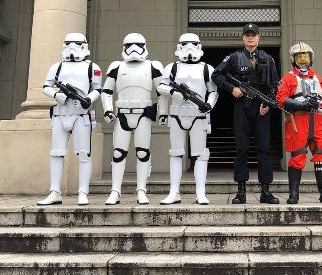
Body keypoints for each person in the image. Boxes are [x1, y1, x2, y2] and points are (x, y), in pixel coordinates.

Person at [212, 23, 281, 204]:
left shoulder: (268, 58)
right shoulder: (234, 58)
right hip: (242, 107)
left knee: (264, 150)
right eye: (247, 35)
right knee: (242, 149)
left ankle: (266, 191)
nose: (251, 38)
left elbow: (275, 84)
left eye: (254, 35)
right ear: (243, 38)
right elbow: (216, 76)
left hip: (262, 109)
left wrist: (268, 103)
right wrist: (232, 88)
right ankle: (240, 191)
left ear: (259, 37)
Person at [37, 33, 102, 206]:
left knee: (84, 154)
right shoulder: (57, 67)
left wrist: (89, 98)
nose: (72, 47)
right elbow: (45, 87)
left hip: (81, 114)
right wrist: (58, 95)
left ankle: (83, 192)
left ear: (84, 46)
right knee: (57, 153)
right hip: (60, 113)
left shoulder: (92, 67)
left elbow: (97, 88)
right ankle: (55, 191)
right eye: (69, 44)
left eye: (77, 44)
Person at [101, 33, 164, 205]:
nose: (134, 49)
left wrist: (162, 112)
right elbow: (106, 91)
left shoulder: (152, 66)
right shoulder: (117, 66)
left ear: (144, 46)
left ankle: (141, 190)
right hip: (122, 113)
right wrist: (107, 109)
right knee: (118, 153)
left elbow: (161, 92)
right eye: (130, 45)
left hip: (143, 114)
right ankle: (115, 190)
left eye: (138, 45)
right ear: (124, 47)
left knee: (143, 152)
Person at [157, 33, 219, 205]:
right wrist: (174, 93)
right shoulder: (172, 67)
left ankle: (200, 192)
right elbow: (161, 87)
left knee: (200, 155)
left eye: (193, 44)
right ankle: (174, 192)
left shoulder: (207, 68)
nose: (189, 48)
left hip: (198, 115)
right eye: (185, 44)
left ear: (199, 46)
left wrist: (209, 105)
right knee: (176, 154)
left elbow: (213, 91)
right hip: (177, 113)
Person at [276, 42, 322, 204]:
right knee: (298, 156)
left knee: (321, 156)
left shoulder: (317, 77)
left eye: (306, 57)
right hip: (298, 120)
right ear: (294, 59)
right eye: (300, 57)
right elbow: (280, 99)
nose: (304, 60)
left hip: (318, 120)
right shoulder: (288, 78)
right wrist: (300, 104)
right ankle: (294, 194)